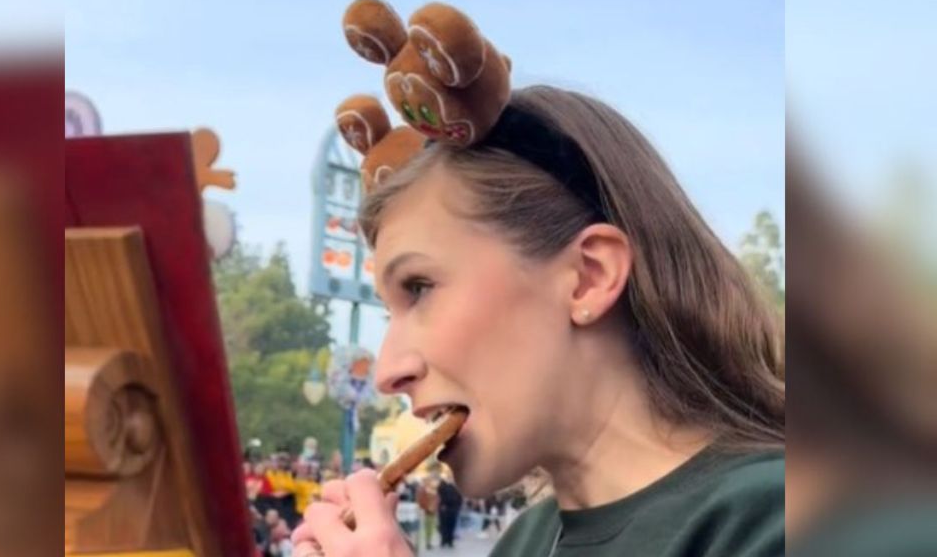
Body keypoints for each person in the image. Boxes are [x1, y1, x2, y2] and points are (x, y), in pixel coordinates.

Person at [292, 86, 783, 556]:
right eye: (387, 312)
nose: (386, 372)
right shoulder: (526, 540)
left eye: (419, 288)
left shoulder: (774, 520)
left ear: (589, 277)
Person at [415, 471, 440, 550]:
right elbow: (420, 500)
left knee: (431, 527)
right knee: (424, 527)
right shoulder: (422, 489)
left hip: (433, 511)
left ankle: (428, 542)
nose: (432, 481)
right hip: (425, 511)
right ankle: (424, 543)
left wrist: (435, 505)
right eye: (430, 480)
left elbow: (438, 499)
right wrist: (426, 507)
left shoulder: (434, 489)